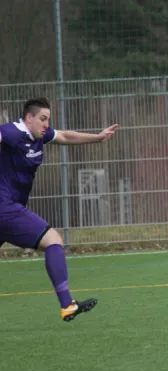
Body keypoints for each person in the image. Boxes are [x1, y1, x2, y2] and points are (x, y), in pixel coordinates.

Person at [0, 97, 118, 321]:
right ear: (29, 118)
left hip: (7, 210)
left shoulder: (37, 137)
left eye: (48, 120)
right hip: (5, 209)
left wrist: (98, 137)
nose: (46, 124)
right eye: (42, 119)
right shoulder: (14, 132)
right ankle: (67, 305)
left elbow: (64, 135)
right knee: (53, 240)